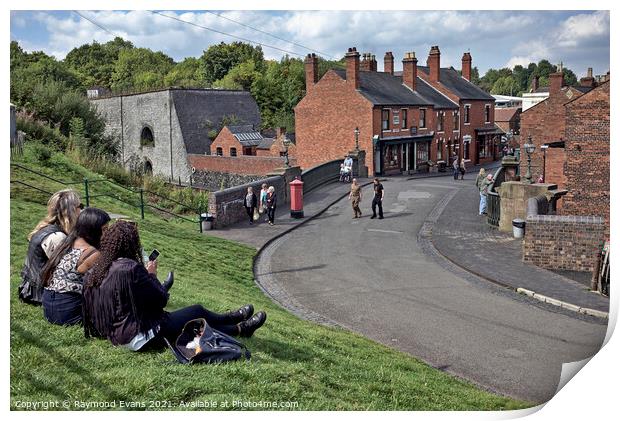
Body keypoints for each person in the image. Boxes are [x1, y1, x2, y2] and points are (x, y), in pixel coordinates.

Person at [82, 221, 267, 351]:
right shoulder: (129, 269)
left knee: (189, 322)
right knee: (195, 312)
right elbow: (161, 299)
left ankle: (239, 325)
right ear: (129, 245)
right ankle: (235, 323)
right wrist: (152, 275)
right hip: (138, 337)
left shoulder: (97, 270)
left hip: (116, 335)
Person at [40, 208, 111, 326]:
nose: (108, 233)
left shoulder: (67, 244)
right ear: (92, 230)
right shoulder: (92, 252)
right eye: (104, 229)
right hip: (68, 313)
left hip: (49, 307)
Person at [19, 189, 83, 305]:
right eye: (80, 206)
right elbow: (68, 269)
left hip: (32, 286)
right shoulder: (56, 237)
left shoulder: (50, 228)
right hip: (38, 293)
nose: (82, 210)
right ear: (71, 211)